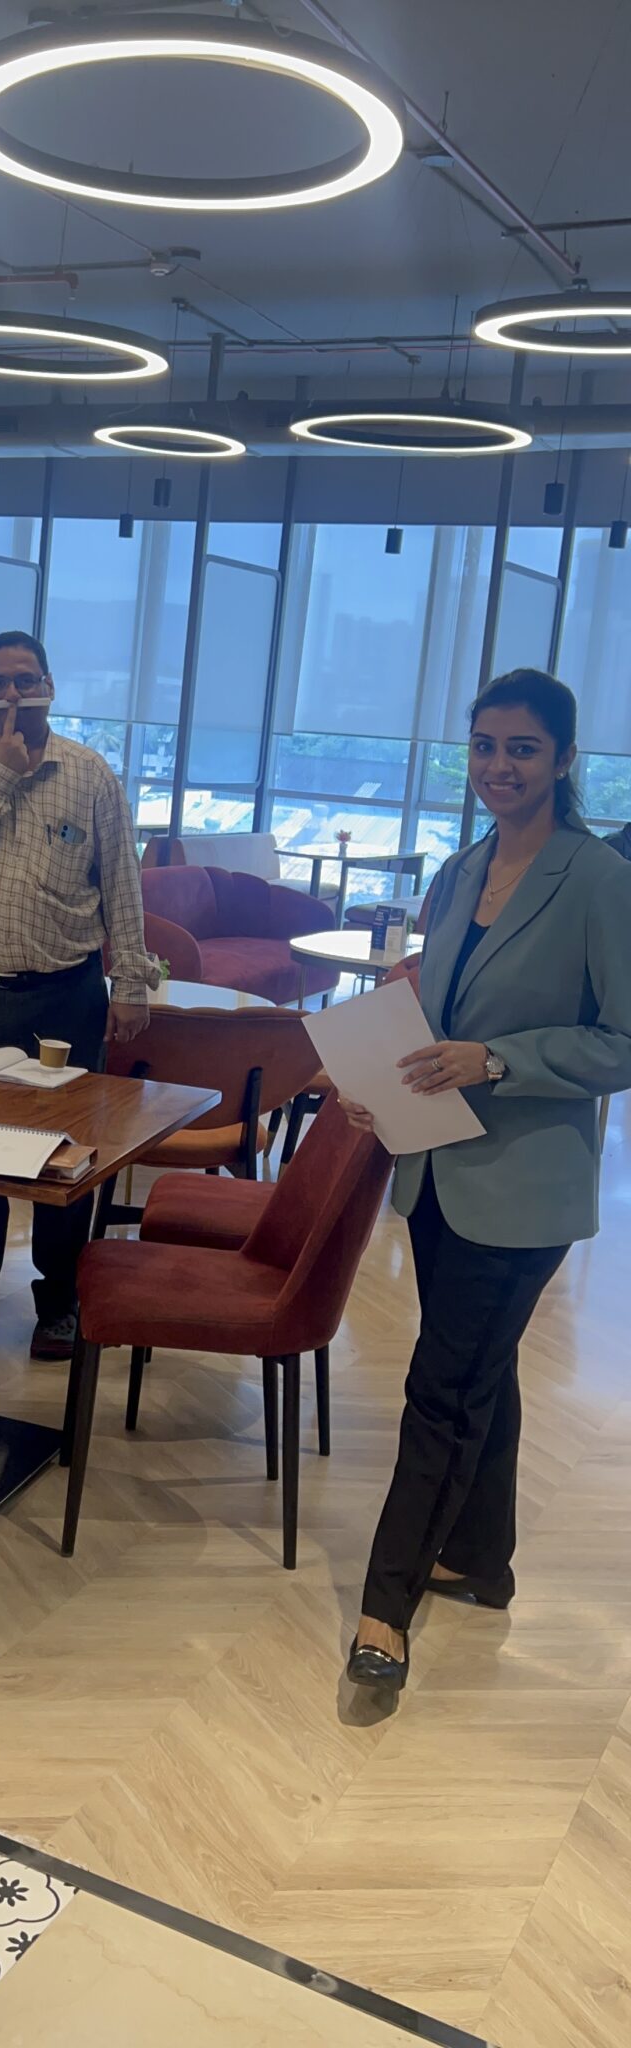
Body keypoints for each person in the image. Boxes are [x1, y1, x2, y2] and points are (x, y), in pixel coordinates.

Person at [342, 669, 631, 1693]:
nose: (499, 767)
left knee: (443, 1384)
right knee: (479, 1372)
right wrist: (381, 1076)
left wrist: (497, 1060)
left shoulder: (599, 879)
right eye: (484, 746)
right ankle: (481, 1560)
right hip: (437, 1167)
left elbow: (621, 1041)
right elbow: (440, 1011)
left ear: (564, 758)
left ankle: (385, 1606)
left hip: (524, 1184)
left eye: (522, 748)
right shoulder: (461, 869)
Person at [0, 628, 155, 1361]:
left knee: (65, 1156)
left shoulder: (90, 773)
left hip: (65, 996)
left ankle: (61, 1303)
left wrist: (131, 982)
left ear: (50, 686)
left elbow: (122, 884)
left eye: (25, 679)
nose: (12, 694)